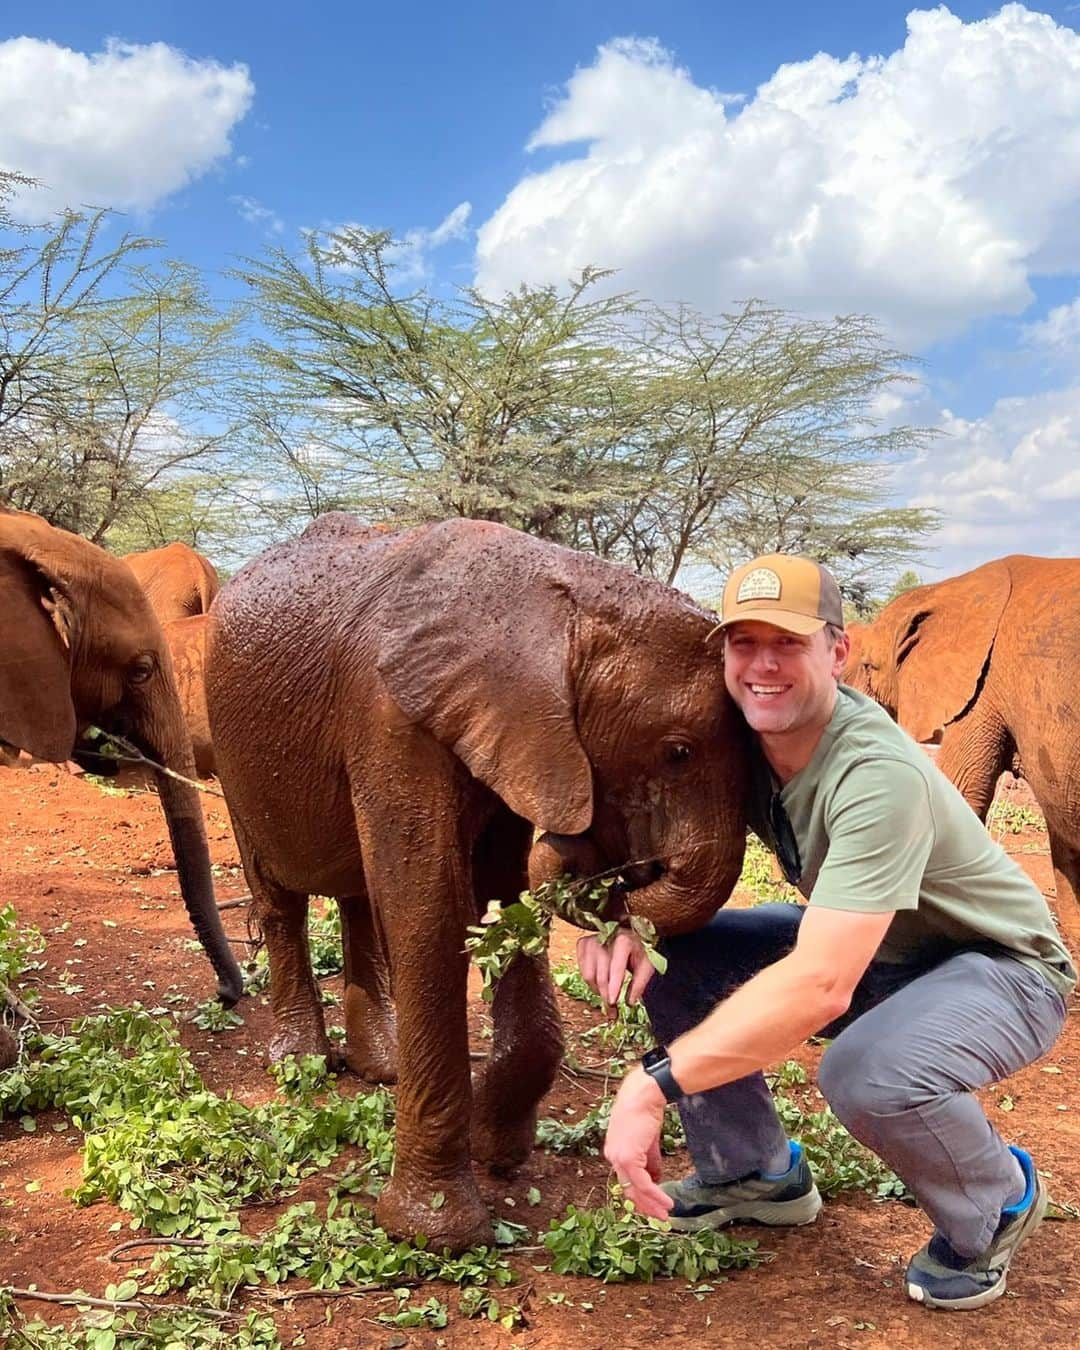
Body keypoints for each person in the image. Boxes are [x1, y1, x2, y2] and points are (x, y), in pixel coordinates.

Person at [577, 553, 1075, 1312]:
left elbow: (820, 984)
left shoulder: (875, 773)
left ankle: (995, 1201)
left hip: (1002, 970)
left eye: (788, 643)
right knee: (683, 958)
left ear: (838, 652)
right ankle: (755, 1173)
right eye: (744, 644)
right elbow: (629, 804)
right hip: (886, 950)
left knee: (866, 1072)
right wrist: (612, 914)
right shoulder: (739, 742)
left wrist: (653, 1085)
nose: (763, 666)